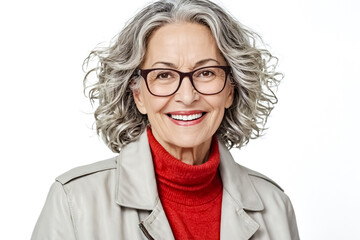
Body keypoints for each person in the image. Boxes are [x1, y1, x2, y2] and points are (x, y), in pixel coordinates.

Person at [31, 0, 299, 239]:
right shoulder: (74, 201)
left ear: (231, 89)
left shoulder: (275, 205)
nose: (187, 95)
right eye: (163, 75)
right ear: (138, 95)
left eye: (206, 73)